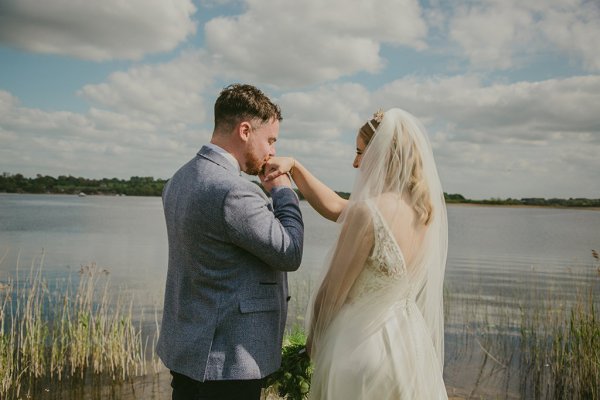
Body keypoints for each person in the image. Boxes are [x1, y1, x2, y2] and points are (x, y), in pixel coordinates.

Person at [264, 108, 448, 399]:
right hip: (408, 346)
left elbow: (331, 295)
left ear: (381, 154)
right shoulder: (423, 212)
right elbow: (337, 207)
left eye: (360, 152)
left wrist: (310, 349)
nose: (355, 162)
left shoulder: (369, 212)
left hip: (360, 348)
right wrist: (295, 167)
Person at [156, 83, 304, 400]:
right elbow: (290, 252)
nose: (273, 151)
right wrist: (282, 189)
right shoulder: (234, 191)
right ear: (245, 130)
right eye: (271, 140)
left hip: (189, 356)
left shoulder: (177, 180)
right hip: (227, 364)